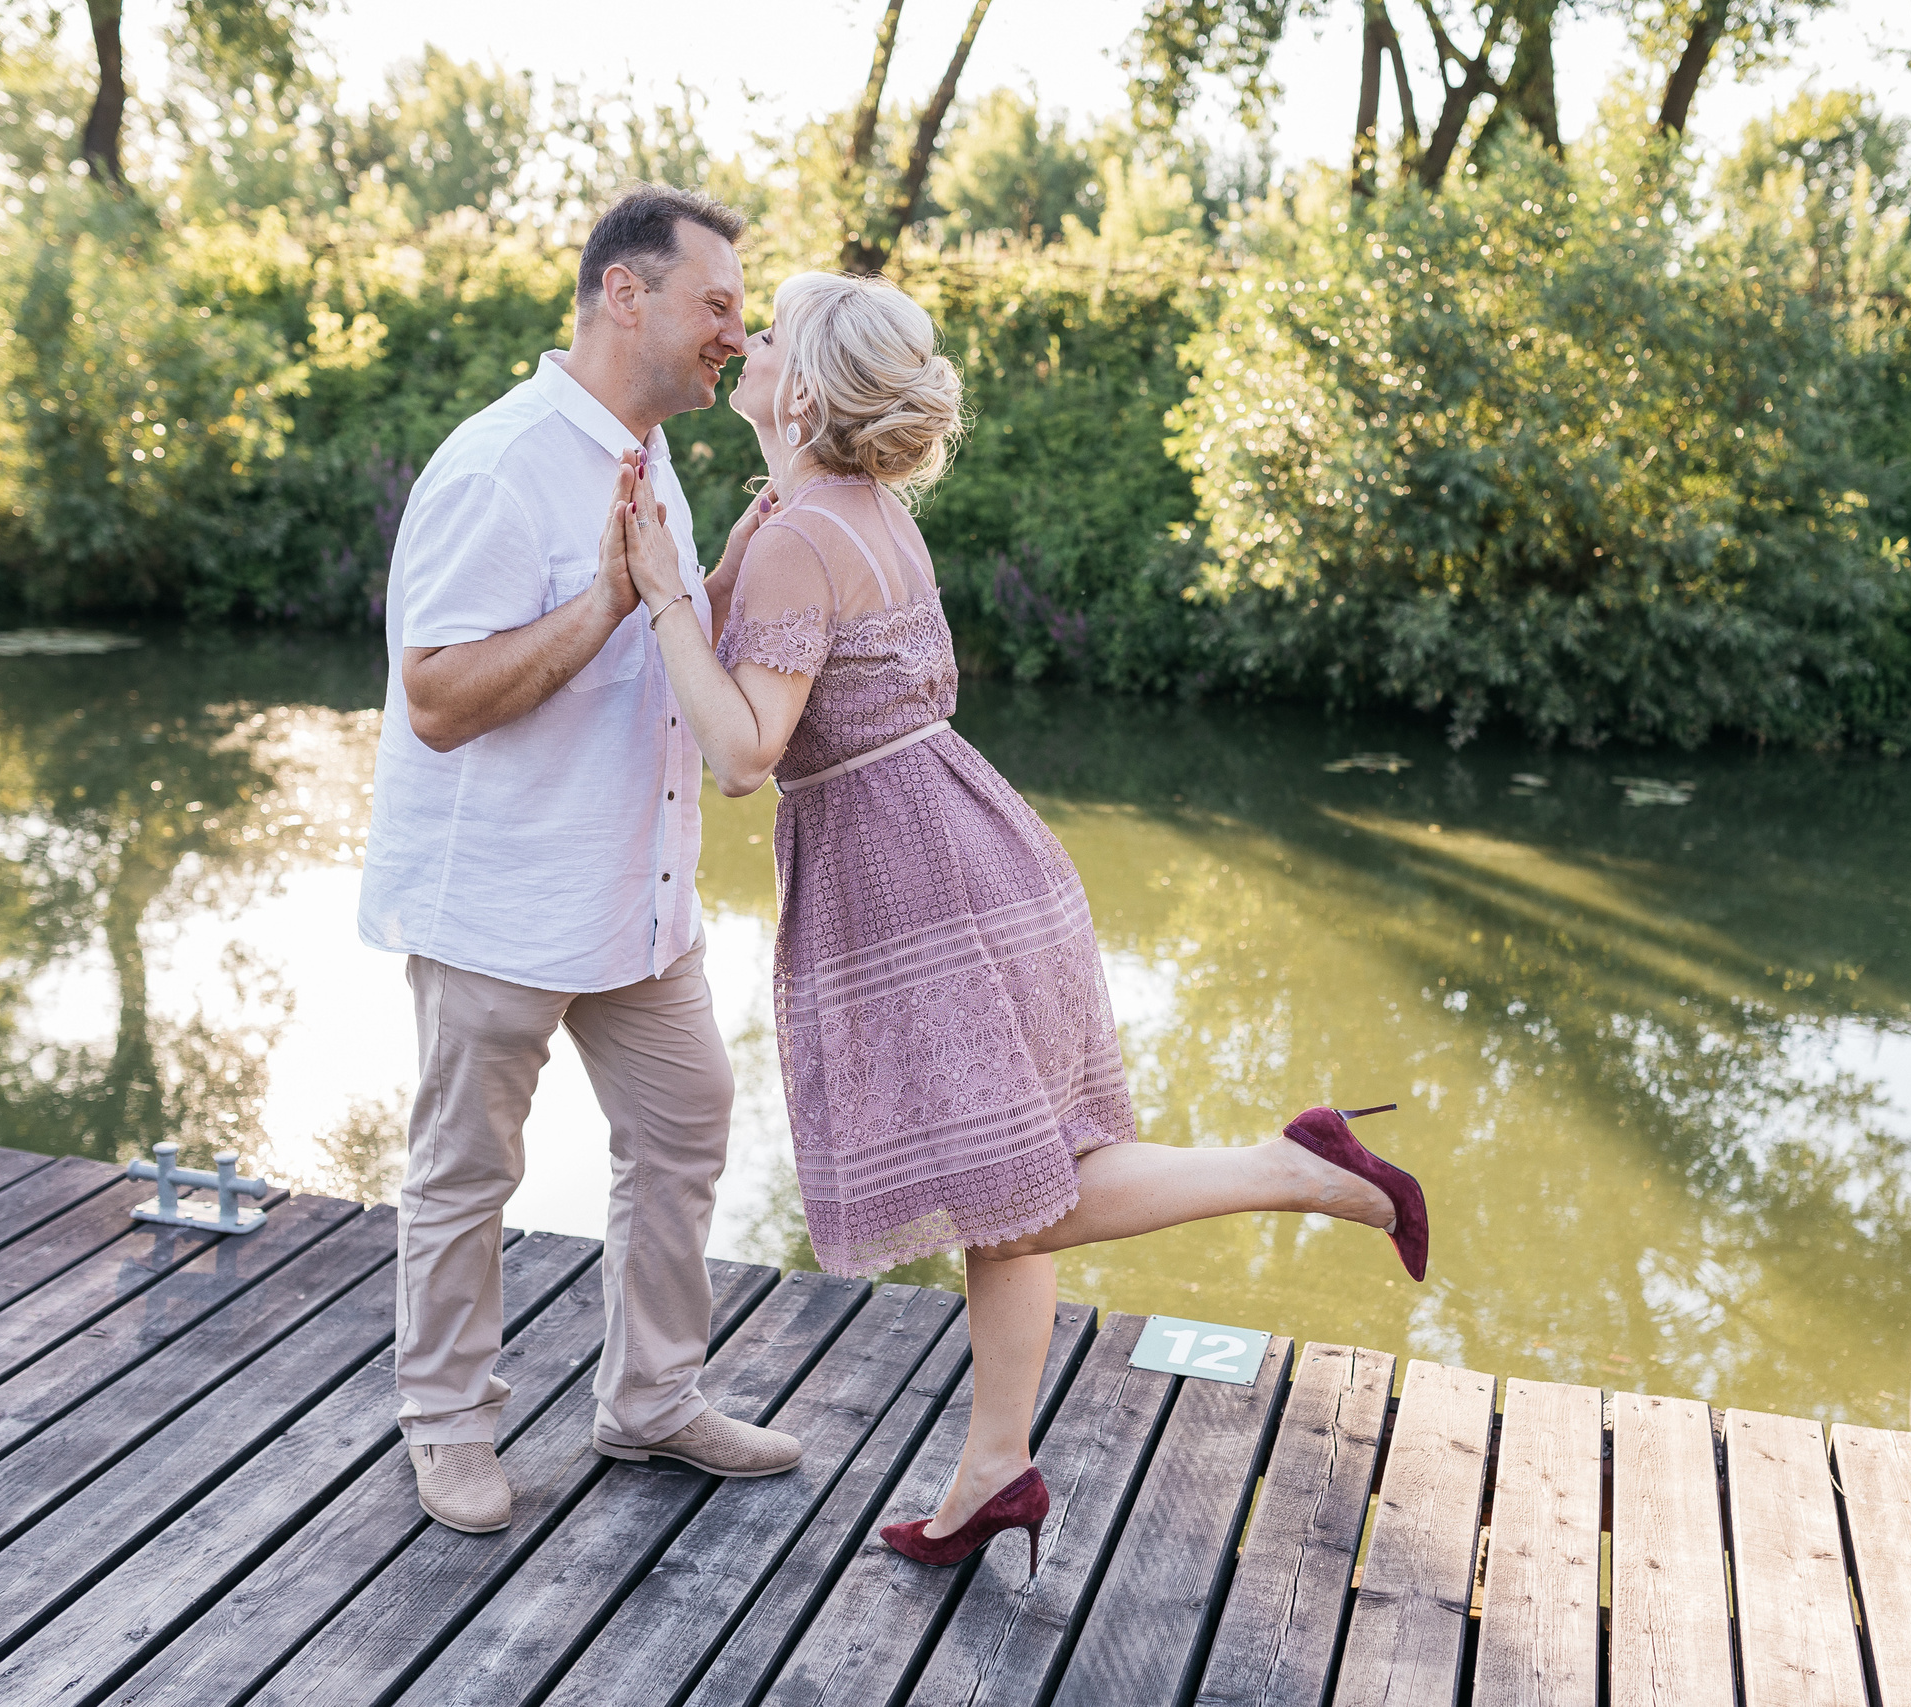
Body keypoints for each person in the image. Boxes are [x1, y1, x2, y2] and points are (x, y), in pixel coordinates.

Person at [604, 269, 1430, 1572]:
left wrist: (660, 597)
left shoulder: (807, 532)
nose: (743, 343)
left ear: (804, 391)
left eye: (766, 336)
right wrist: (694, 563)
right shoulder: (834, 507)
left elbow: (747, 753)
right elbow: (768, 611)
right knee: (1007, 1197)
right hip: (965, 854)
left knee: (1028, 1199)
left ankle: (1299, 1167)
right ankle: (994, 1466)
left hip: (918, 889)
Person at [358, 185, 803, 1537]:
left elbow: (663, 646)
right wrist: (610, 596)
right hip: (500, 897)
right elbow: (435, 698)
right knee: (465, 1174)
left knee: (685, 1125)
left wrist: (729, 584)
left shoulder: (648, 450)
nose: (735, 331)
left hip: (638, 900)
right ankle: (447, 1427)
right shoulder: (501, 462)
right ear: (629, 295)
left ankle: (653, 1399)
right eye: (716, 304)